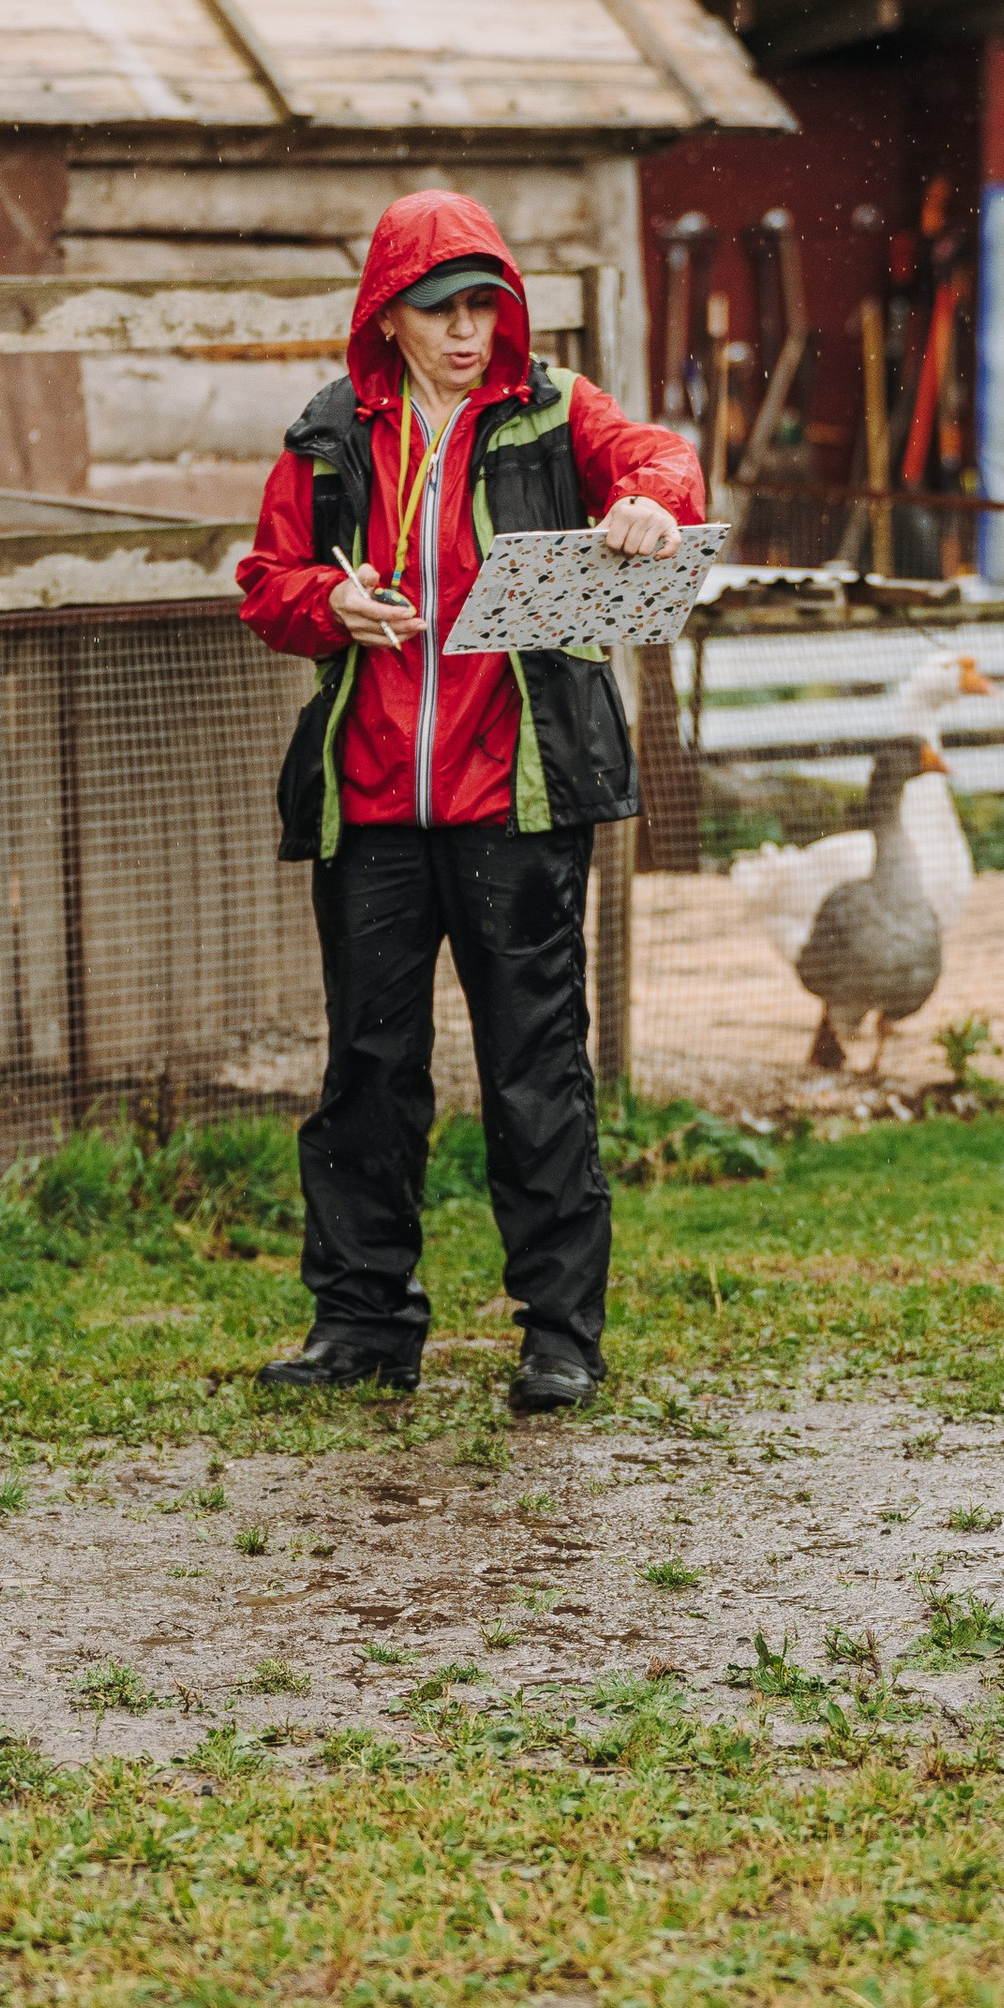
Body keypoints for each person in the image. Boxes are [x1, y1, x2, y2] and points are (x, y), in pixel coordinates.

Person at [238, 191, 703, 1411]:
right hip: (374, 805)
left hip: (519, 800)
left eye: (485, 306)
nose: (467, 331)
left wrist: (653, 502)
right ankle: (361, 1325)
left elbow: (661, 459)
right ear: (388, 315)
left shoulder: (555, 409)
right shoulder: (330, 431)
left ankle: (559, 1336)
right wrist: (327, 606)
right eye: (442, 309)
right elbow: (265, 579)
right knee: (368, 1068)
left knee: (534, 1067)